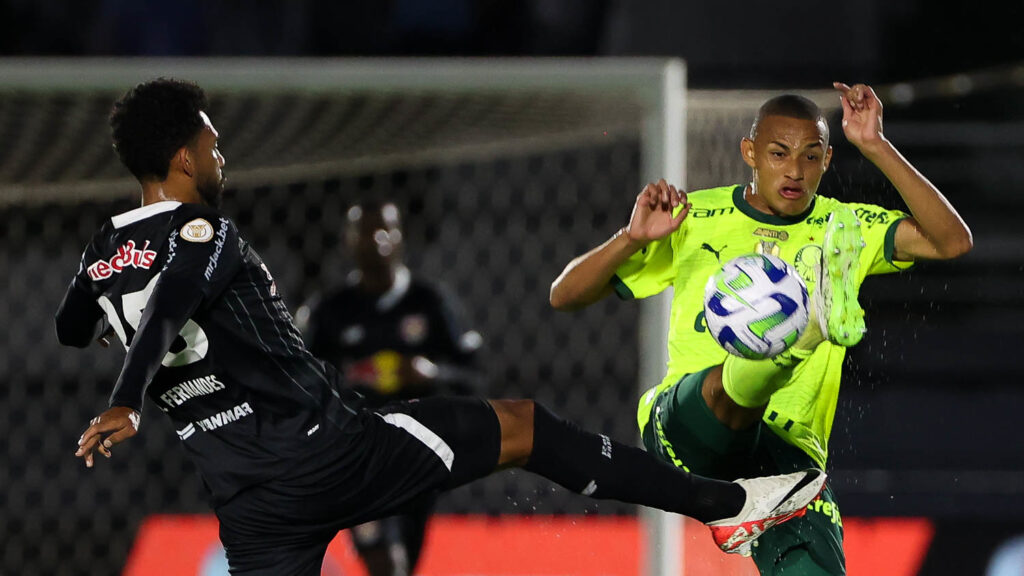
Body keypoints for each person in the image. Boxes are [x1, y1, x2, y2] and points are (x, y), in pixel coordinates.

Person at [55, 78, 827, 576]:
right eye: (213, 142)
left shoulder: (101, 253)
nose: (221, 154)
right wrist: (128, 397)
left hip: (247, 499)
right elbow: (172, 303)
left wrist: (111, 331)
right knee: (523, 426)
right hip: (328, 452)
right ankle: (729, 506)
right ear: (185, 156)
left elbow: (72, 323)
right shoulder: (204, 232)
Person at [550, 83, 972, 574]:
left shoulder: (844, 228)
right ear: (750, 152)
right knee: (725, 392)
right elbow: (564, 295)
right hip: (688, 426)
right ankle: (805, 329)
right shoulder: (692, 217)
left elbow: (951, 242)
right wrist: (630, 238)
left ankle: (802, 330)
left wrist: (876, 145)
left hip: (786, 463)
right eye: (779, 154)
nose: (795, 170)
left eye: (811, 157)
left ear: (828, 160)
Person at [297, 200, 484, 576]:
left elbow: (475, 377)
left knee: (403, 564)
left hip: (419, 452)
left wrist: (431, 374)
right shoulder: (329, 312)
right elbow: (298, 381)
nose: (377, 239)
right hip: (356, 455)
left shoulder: (430, 303)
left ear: (401, 238)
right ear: (348, 242)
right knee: (386, 563)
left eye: (386, 229)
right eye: (366, 230)